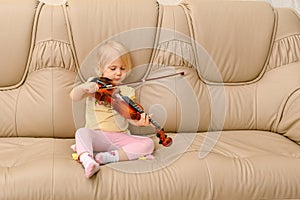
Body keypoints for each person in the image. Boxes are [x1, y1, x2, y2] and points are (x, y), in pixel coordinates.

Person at [70, 40, 154, 178]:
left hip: (120, 138)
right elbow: (74, 96)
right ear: (101, 67)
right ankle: (87, 160)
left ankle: (108, 157)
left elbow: (130, 117)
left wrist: (139, 122)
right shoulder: (95, 84)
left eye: (123, 68)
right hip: (97, 136)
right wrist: (85, 88)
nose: (118, 73)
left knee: (148, 144)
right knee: (81, 132)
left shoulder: (127, 91)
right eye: (113, 68)